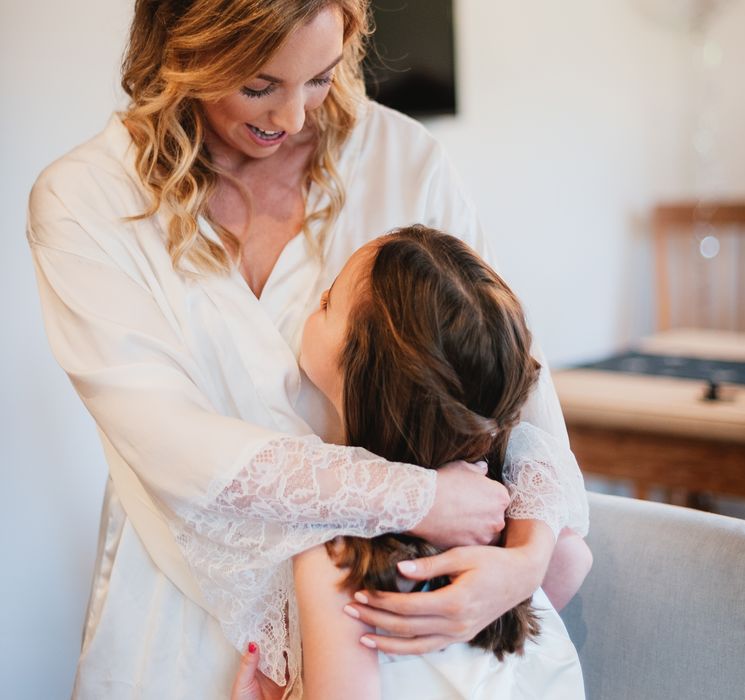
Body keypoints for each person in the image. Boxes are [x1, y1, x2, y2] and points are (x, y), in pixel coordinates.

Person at [27, 1, 588, 697]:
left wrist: (527, 561)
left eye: (320, 78)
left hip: (388, 617)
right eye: (258, 85)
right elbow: (170, 443)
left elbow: (517, 392)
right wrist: (416, 497)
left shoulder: (405, 161)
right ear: (181, 49)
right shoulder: (85, 201)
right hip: (178, 612)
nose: (291, 119)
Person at [231, 226, 586, 699]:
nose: (317, 298)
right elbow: (575, 561)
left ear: (362, 381)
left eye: (328, 302)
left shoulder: (335, 558)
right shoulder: (505, 522)